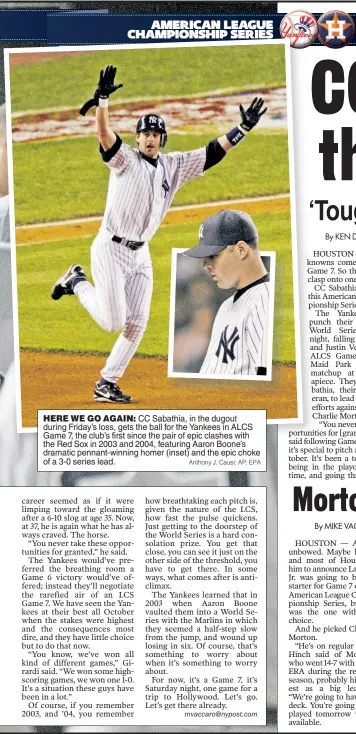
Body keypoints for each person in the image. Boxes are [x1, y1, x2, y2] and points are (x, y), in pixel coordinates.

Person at [51, 64, 266, 403]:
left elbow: (211, 153)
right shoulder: (124, 161)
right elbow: (105, 137)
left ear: (162, 140)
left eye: (156, 134)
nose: (150, 138)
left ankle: (106, 382)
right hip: (111, 249)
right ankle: (76, 281)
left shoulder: (173, 166)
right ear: (137, 138)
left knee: (137, 323)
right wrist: (103, 101)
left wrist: (242, 129)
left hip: (141, 253)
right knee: (113, 322)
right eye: (145, 133)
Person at [183, 209, 270, 376]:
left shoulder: (264, 301)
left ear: (241, 250)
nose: (205, 264)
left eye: (213, 255)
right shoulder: (225, 306)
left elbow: (262, 379)